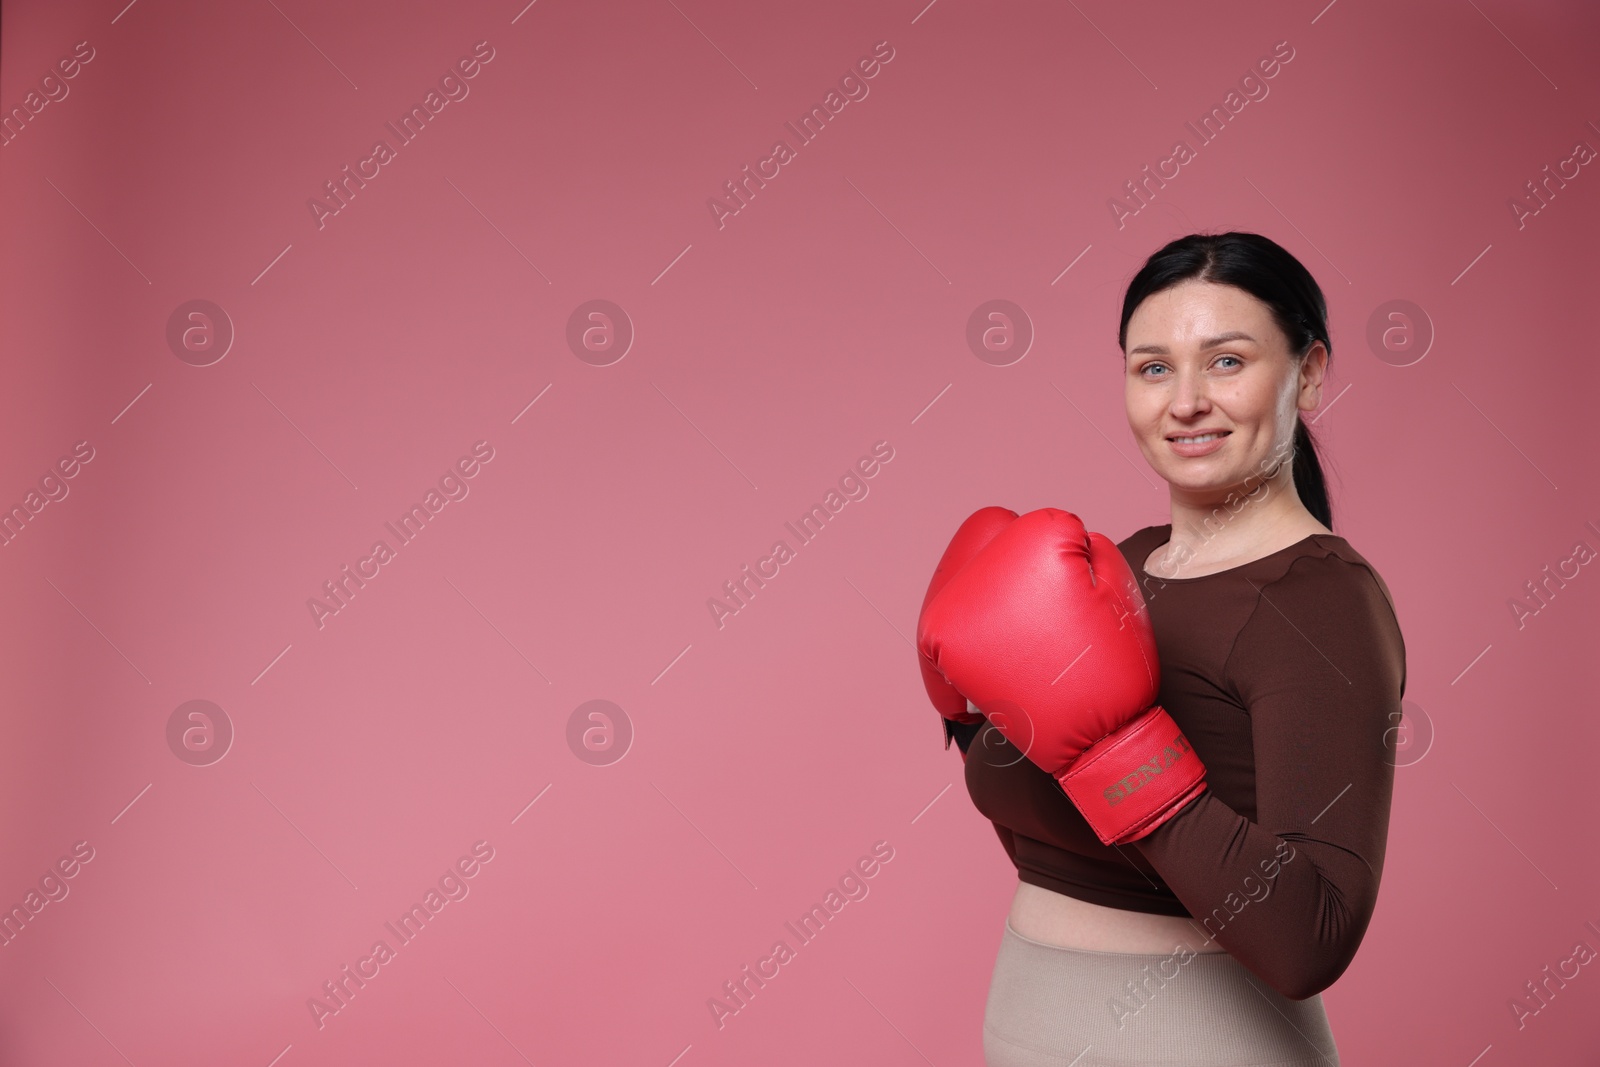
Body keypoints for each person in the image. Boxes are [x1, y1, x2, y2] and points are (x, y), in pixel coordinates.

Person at [934, 232, 1407, 1066]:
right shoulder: (1117, 565)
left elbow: (1310, 936)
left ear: (1312, 370)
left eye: (1226, 362)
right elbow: (1059, 829)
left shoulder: (1320, 601)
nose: (1185, 400)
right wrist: (968, 711)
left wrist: (1124, 755)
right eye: (1154, 368)